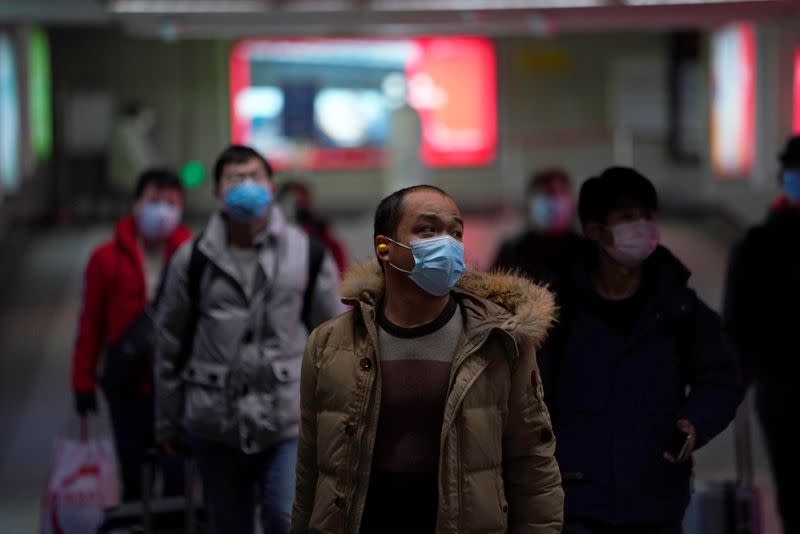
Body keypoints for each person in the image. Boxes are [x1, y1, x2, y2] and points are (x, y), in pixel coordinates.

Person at [291, 185, 564, 534]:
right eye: (428, 230)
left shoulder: (499, 342)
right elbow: (311, 468)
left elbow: (532, 462)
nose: (447, 243)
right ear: (384, 248)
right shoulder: (329, 344)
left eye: (455, 232)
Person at [540, 167, 743, 534]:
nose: (643, 228)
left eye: (649, 216)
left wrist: (695, 422)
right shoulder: (557, 314)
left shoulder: (679, 309)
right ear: (594, 230)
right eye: (628, 218)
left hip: (655, 501)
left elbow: (723, 376)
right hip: (573, 501)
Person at [155, 145, 343, 534]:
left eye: (255, 176)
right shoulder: (192, 259)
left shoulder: (307, 253)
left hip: (287, 420)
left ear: (272, 188)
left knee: (285, 517)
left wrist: (336, 416)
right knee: (229, 524)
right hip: (214, 420)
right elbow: (170, 342)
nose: (247, 185)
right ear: (217, 192)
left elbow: (334, 339)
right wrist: (168, 421)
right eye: (235, 179)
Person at [71, 168, 191, 501]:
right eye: (154, 200)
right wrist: (82, 381)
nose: (162, 210)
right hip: (127, 386)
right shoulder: (105, 259)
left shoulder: (191, 256)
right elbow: (91, 322)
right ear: (136, 204)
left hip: (175, 387)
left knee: (177, 478)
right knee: (134, 476)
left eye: (171, 202)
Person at [723, 135, 800, 534]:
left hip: (778, 390)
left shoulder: (757, 245)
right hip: (784, 391)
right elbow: (738, 326)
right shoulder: (758, 246)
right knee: (795, 493)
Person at [493, 167, 582, 288]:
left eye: (558, 194)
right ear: (531, 203)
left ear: (572, 202)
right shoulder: (512, 251)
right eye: (546, 194)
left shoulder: (587, 251)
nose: (553, 202)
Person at [276, 180, 348, 276]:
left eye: (299, 201)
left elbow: (339, 272)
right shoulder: (271, 238)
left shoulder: (323, 237)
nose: (294, 206)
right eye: (290, 202)